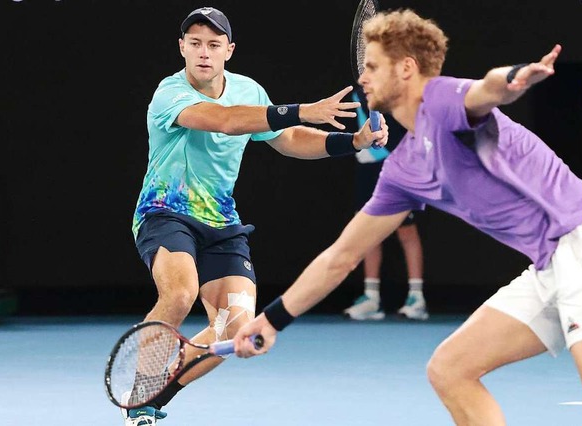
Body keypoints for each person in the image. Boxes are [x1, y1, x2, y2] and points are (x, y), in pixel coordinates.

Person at [234, 8, 582, 425]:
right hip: (550, 265)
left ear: (407, 68)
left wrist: (515, 76)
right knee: (451, 370)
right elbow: (342, 256)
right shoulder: (403, 169)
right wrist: (272, 319)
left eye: (373, 66)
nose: (363, 77)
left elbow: (487, 89)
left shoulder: (443, 100)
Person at [125, 6, 388, 426]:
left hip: (223, 225)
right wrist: (304, 108)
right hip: (166, 213)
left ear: (228, 50)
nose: (204, 53)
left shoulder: (248, 89)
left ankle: (157, 396)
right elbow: (226, 122)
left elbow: (287, 140)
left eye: (213, 45)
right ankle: (139, 392)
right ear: (182, 48)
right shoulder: (169, 94)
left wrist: (350, 142)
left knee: (235, 329)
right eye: (195, 44)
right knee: (179, 293)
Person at [343, 87, 427, 321]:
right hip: (366, 167)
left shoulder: (394, 87)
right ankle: (371, 298)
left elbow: (408, 126)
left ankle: (417, 297)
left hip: (397, 164)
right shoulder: (362, 87)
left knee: (406, 230)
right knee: (367, 231)